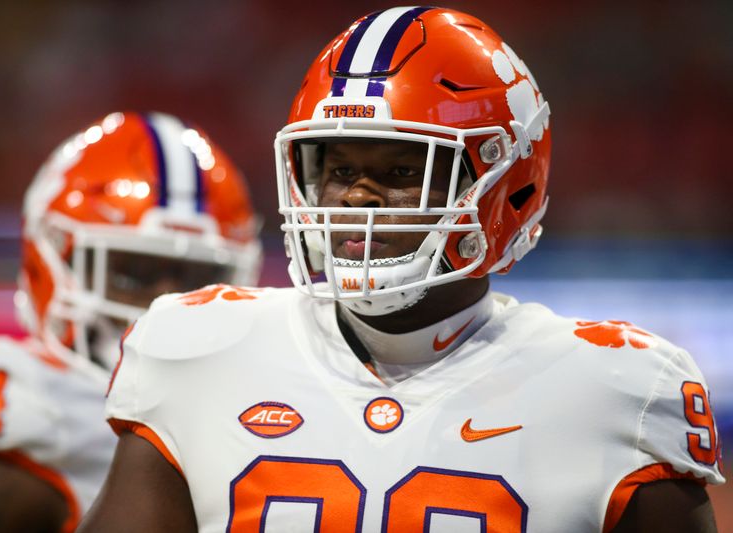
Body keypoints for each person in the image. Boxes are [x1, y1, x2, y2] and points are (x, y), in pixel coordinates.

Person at [81, 7, 724, 533]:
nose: (356, 198)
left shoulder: (621, 391)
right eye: (338, 171)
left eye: (399, 173)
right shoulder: (200, 352)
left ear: (507, 189)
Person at [0, 111, 262, 532]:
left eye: (196, 279)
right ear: (52, 263)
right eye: (133, 273)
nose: (167, 303)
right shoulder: (33, 400)